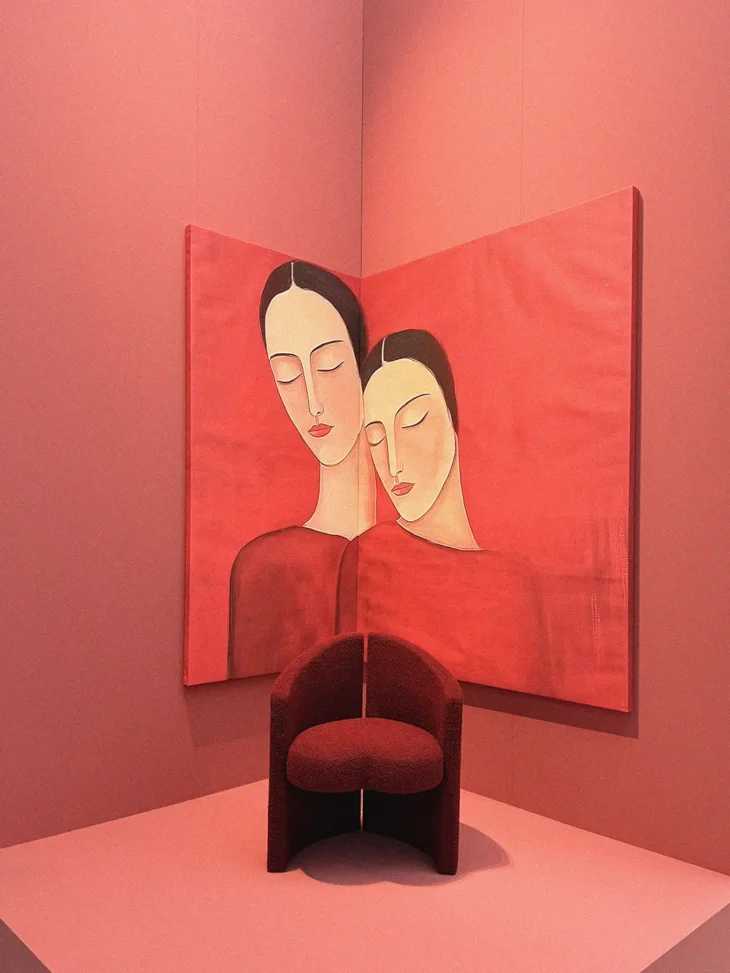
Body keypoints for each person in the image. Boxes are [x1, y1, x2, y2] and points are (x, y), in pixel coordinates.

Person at [337, 329, 554, 697]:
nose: (393, 462)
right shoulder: (365, 557)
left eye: (413, 422)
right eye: (376, 437)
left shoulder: (514, 585)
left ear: (453, 420)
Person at [228, 261, 375, 679]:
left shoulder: (409, 556)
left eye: (329, 366)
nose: (313, 403)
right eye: (287, 375)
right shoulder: (263, 568)